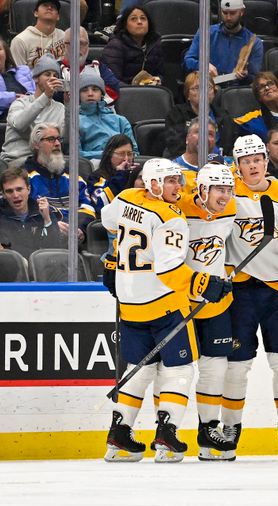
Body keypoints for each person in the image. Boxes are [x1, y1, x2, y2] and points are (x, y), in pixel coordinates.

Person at [101, 158, 232, 463]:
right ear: (154, 184)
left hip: (130, 302)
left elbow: (109, 222)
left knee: (139, 368)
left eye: (178, 180)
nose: (179, 186)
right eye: (171, 181)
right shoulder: (172, 217)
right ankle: (167, 433)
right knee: (179, 369)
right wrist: (203, 284)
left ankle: (119, 435)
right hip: (163, 304)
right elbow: (169, 268)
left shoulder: (126, 198)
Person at [224, 135, 278, 455]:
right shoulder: (226, 194)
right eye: (246, 161)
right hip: (240, 290)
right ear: (238, 165)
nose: (253, 165)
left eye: (258, 159)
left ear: (266, 160)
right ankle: (230, 427)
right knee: (237, 365)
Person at [174, 163, 239, 461]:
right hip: (182, 302)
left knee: (216, 367)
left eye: (228, 189)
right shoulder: (178, 211)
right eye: (219, 190)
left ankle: (208, 429)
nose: (225, 196)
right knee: (175, 370)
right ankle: (168, 431)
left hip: (215, 304)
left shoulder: (231, 209)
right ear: (202, 189)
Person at [24, 123, 95, 238]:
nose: (57, 144)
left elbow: (88, 207)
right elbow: (25, 212)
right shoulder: (26, 178)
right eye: (51, 139)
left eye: (58, 139)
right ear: (36, 145)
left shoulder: (74, 177)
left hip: (77, 237)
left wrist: (80, 228)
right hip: (43, 238)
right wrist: (51, 224)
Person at [0, 54, 65, 166]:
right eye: (47, 74)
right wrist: (45, 97)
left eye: (55, 75)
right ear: (35, 78)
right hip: (18, 161)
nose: (52, 78)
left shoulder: (60, 108)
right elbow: (19, 124)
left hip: (48, 161)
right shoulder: (20, 103)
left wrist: (69, 105)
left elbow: (63, 139)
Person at [183, 0, 263, 87]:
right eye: (225, 13)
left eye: (232, 13)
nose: (228, 17)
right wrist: (203, 66)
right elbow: (188, 60)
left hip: (236, 89)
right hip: (209, 87)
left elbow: (255, 77)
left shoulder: (254, 42)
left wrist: (245, 76)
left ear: (241, 12)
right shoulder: (206, 33)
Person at [0, 166, 66, 257]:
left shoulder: (42, 211)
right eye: (9, 191)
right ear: (3, 194)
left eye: (19, 189)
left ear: (29, 189)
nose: (15, 195)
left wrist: (47, 220)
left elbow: (56, 248)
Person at [163, 71, 231, 160]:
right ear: (187, 95)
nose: (203, 92)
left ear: (214, 93)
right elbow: (175, 147)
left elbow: (230, 146)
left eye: (208, 87)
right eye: (196, 88)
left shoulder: (223, 115)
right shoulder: (176, 114)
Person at [78, 71, 138, 161]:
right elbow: (76, 155)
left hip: (123, 164)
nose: (90, 93)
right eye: (84, 90)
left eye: (95, 89)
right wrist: (109, 154)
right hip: (92, 166)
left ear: (102, 94)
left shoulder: (120, 121)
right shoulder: (75, 121)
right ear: (78, 95)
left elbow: (134, 152)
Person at [101, 5, 163, 85]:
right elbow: (112, 80)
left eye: (143, 18)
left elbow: (161, 73)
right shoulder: (115, 46)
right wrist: (134, 90)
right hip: (124, 93)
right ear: (125, 25)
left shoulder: (155, 44)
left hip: (151, 92)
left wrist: (158, 80)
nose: (139, 22)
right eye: (133, 19)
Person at [59, 27, 120, 105]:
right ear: (63, 46)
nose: (77, 48)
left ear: (88, 46)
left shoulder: (98, 67)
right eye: (73, 43)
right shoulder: (55, 69)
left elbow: (113, 91)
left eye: (82, 43)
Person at [87, 134, 139, 215]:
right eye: (121, 154)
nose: (126, 159)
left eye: (129, 154)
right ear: (109, 154)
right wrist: (120, 176)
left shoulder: (138, 176)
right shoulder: (96, 177)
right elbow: (101, 205)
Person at [10, 0, 66, 68]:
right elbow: (19, 74)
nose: (49, 7)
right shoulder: (20, 41)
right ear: (36, 13)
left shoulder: (66, 37)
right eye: (45, 5)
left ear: (58, 16)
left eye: (53, 7)